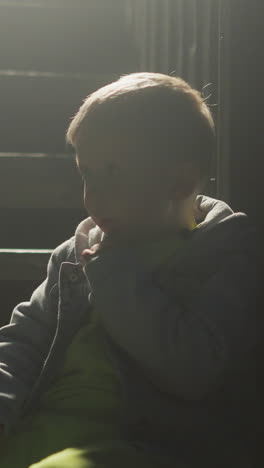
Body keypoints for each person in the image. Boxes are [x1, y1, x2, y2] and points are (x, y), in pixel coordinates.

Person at [0, 73, 260, 468]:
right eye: (87, 173)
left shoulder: (224, 256)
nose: (93, 195)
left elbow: (194, 368)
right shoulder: (74, 254)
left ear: (179, 181)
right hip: (41, 427)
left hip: (136, 443)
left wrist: (114, 274)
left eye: (114, 172)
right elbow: (23, 342)